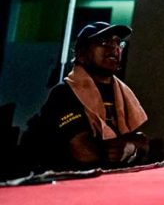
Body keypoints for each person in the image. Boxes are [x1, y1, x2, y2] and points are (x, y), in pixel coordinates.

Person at [24, 22, 148, 171]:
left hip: (110, 180)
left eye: (117, 42)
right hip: (67, 180)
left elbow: (144, 143)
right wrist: (128, 147)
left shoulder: (122, 93)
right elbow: (83, 151)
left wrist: (130, 146)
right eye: (103, 41)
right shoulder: (64, 93)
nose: (113, 47)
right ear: (81, 54)